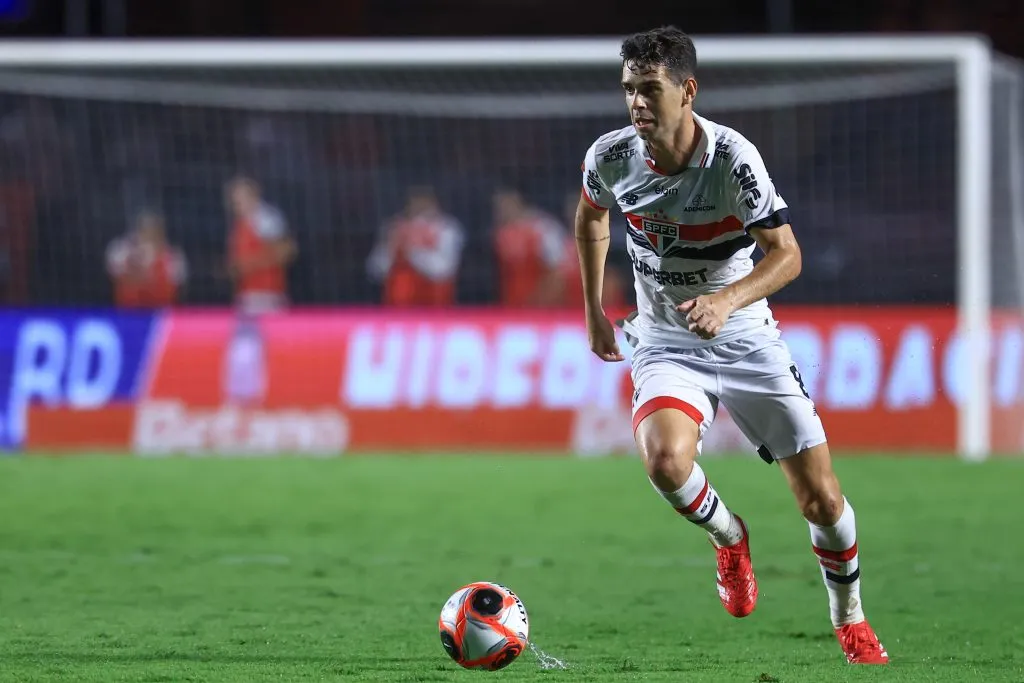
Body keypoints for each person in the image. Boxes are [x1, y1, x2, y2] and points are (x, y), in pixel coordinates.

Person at [574, 26, 887, 665]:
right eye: (629, 88)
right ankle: (729, 536)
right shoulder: (610, 156)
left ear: (687, 91)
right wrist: (595, 311)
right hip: (664, 337)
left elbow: (787, 255)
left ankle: (849, 618)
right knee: (664, 461)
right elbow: (591, 217)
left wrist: (726, 299)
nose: (636, 102)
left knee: (821, 499)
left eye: (650, 89)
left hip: (743, 336)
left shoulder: (733, 159)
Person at [222, 176, 297, 406]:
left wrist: (249, 265)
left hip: (267, 297)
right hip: (247, 297)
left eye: (238, 197)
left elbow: (287, 250)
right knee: (246, 351)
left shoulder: (265, 218)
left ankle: (269, 399)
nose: (234, 203)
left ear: (252, 196)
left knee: (261, 350)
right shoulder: (241, 224)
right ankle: (247, 399)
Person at [367, 186, 465, 307]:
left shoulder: (448, 228)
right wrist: (391, 249)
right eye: (415, 204)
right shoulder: (395, 227)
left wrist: (413, 252)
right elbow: (376, 272)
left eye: (424, 204)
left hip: (437, 309)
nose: (419, 209)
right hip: (397, 312)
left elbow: (444, 270)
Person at [492, 186, 568, 308]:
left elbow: (558, 274)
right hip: (512, 304)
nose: (501, 211)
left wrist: (539, 302)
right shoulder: (502, 231)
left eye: (505, 204)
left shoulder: (544, 228)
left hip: (541, 305)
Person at [105, 209, 187, 308]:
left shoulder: (173, 256)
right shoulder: (121, 251)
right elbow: (114, 276)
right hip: (127, 312)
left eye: (154, 230)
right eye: (145, 229)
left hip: (162, 313)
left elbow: (178, 286)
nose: (149, 234)